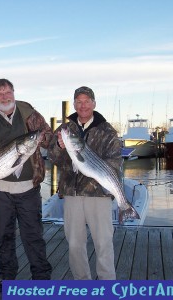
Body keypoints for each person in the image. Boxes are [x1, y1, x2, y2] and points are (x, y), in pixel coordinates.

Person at [0, 78, 53, 292]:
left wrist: (42, 138)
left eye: (7, 92)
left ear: (14, 92)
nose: (5, 97)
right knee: (3, 236)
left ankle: (41, 278)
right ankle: (8, 279)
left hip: (29, 188)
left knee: (33, 235)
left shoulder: (29, 113)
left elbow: (47, 136)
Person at [47, 86, 121, 280]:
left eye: (87, 101)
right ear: (74, 104)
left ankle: (107, 286)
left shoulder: (107, 130)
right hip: (72, 195)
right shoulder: (65, 129)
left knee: (103, 243)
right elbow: (54, 158)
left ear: (94, 103)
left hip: (99, 195)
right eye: (79, 102)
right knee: (74, 244)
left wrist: (98, 175)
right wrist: (59, 147)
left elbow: (114, 163)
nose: (83, 105)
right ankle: (82, 285)